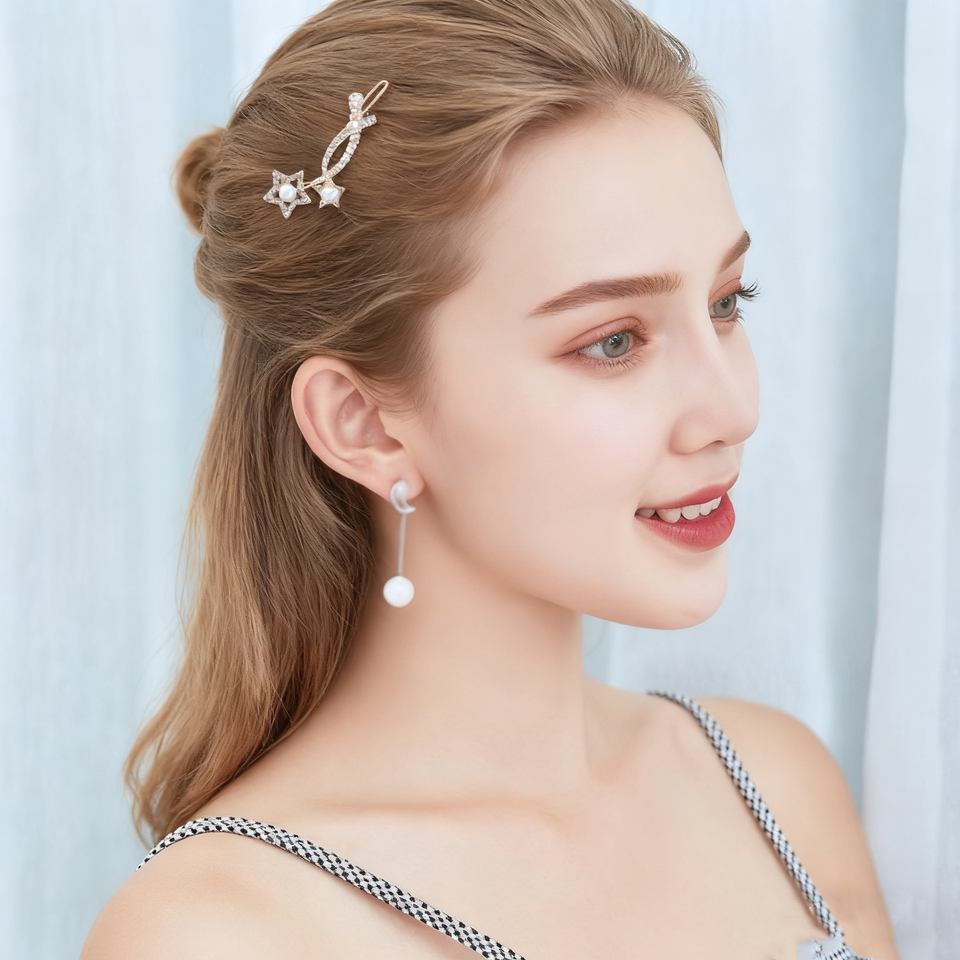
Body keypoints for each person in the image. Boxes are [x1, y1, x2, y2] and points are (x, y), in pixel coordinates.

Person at [82, 1, 900, 957]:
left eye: (726, 303)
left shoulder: (775, 792)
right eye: (613, 342)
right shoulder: (220, 932)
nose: (732, 409)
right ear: (361, 422)